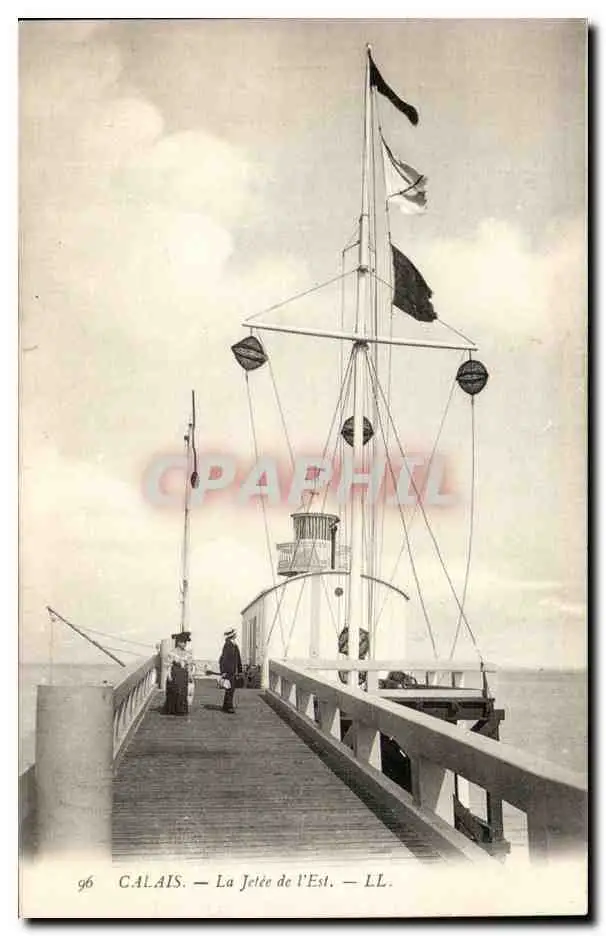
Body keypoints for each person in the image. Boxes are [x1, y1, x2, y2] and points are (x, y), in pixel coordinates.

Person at [165, 631, 195, 715]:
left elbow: (189, 665)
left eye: (185, 642)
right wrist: (169, 675)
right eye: (182, 642)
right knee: (175, 691)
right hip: (175, 673)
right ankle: (172, 709)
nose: (184, 644)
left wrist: (190, 675)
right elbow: (168, 665)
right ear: (178, 642)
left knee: (183, 692)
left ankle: (181, 710)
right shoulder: (172, 652)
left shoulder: (187, 653)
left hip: (183, 674)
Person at [219, 628, 242, 714]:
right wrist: (223, 671)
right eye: (235, 634)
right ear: (232, 635)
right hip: (229, 671)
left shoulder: (234, 645)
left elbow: (238, 659)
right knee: (230, 689)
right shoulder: (228, 645)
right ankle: (229, 706)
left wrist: (239, 670)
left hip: (233, 671)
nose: (236, 635)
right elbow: (223, 659)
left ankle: (226, 706)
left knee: (230, 688)